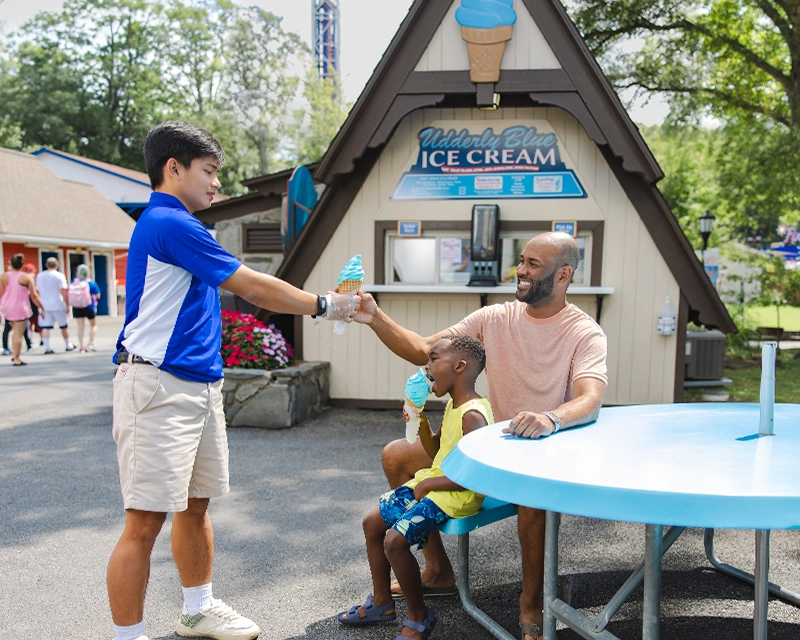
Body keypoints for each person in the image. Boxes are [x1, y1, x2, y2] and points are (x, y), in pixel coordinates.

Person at [107, 121, 360, 640]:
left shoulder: (181, 226)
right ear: (172, 169)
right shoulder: (168, 222)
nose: (216, 183)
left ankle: (197, 610)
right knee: (144, 523)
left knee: (196, 505)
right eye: (209, 171)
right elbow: (253, 287)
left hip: (195, 386)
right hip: (156, 387)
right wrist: (327, 304)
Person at [353, 232, 608, 640]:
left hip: (538, 451)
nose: (521, 271)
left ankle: (531, 607)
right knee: (397, 456)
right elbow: (426, 348)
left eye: (533, 264)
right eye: (521, 261)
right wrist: (374, 316)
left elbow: (590, 398)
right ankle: (437, 571)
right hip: (486, 444)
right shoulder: (495, 317)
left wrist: (550, 418)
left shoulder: (584, 332)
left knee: (530, 496)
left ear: (563, 274)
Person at [337, 335, 493, 640]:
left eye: (434, 358)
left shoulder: (473, 415)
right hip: (436, 485)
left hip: (456, 497)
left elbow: (477, 476)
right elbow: (437, 454)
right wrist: (419, 419)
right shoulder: (454, 405)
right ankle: (382, 602)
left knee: (395, 541)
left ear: (459, 366)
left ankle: (419, 616)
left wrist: (431, 483)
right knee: (372, 523)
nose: (427, 366)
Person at [0, 254, 43, 366]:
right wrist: (42, 307)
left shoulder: (3, 276)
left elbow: (0, 293)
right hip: (20, 307)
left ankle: (14, 353)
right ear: (22, 265)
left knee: (15, 331)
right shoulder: (26, 278)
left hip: (6, 306)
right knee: (18, 333)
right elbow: (34, 296)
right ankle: (16, 358)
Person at [36, 257, 75, 354]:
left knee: (45, 327)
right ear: (57, 265)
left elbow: (38, 290)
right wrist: (66, 304)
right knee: (64, 325)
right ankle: (68, 344)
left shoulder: (40, 276)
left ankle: (47, 347)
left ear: (46, 265)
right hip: (58, 304)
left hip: (44, 305)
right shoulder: (59, 276)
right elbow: (63, 291)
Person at [70, 264, 101, 352]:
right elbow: (98, 295)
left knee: (80, 327)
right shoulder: (91, 283)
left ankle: (81, 346)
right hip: (89, 306)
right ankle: (90, 343)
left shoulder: (74, 282)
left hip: (77, 306)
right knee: (94, 325)